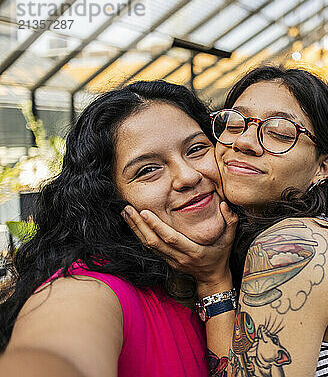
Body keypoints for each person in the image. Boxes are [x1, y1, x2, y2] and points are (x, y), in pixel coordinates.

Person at [124, 66, 328, 376]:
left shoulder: (293, 244)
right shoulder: (324, 228)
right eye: (234, 124)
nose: (244, 142)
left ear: (324, 167)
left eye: (279, 132)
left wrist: (213, 281)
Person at [0, 81, 237, 377]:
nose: (187, 176)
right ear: (110, 198)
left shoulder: (255, 260)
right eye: (148, 169)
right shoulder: (88, 292)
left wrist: (215, 280)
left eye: (197, 148)